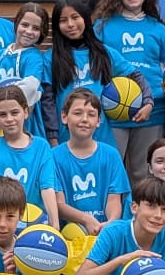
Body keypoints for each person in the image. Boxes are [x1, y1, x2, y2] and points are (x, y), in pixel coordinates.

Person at [92, 0, 165, 173]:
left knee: (143, 175)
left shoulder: (158, 28)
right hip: (113, 110)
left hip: (152, 111)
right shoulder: (102, 26)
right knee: (110, 173)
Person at [49, 0, 149, 148]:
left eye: (75, 17)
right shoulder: (50, 58)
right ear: (57, 26)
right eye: (63, 20)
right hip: (65, 138)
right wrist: (52, 137)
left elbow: (135, 76)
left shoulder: (104, 53)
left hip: (102, 137)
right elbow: (47, 101)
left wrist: (148, 103)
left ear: (85, 19)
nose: (70, 24)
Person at [47, 89, 129, 236]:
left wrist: (110, 223)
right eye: (78, 113)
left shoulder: (111, 155)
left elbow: (114, 200)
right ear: (64, 117)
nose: (85, 119)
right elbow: (58, 204)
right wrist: (85, 219)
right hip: (69, 234)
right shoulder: (53, 157)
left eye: (91, 114)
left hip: (104, 232)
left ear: (98, 121)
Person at [0, 83, 60, 226]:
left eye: (14, 112)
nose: (9, 119)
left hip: (34, 225)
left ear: (25, 112)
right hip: (0, 226)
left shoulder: (41, 146)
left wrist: (54, 225)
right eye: (2, 114)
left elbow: (47, 187)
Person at [0, 1, 51, 128]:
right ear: (16, 24)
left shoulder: (34, 57)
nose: (29, 31)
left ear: (42, 33)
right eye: (25, 25)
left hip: (25, 127)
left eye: (35, 28)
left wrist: (2, 111)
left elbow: (30, 87)